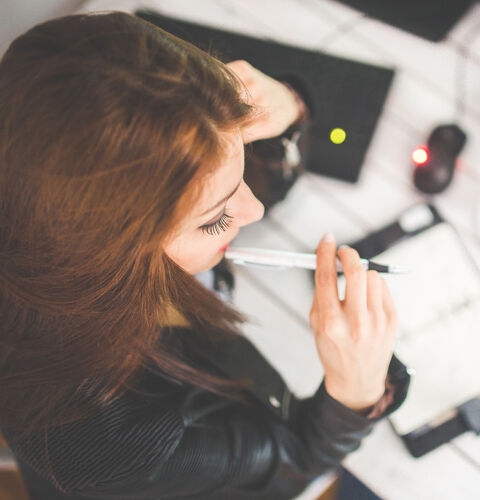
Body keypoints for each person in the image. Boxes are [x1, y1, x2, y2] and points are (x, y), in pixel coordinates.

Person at [0, 11, 410, 500]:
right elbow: (293, 463)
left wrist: (289, 105)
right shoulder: (112, 437)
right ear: (111, 254)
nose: (254, 210)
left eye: (241, 152)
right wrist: (355, 393)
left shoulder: (69, 166)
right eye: (214, 219)